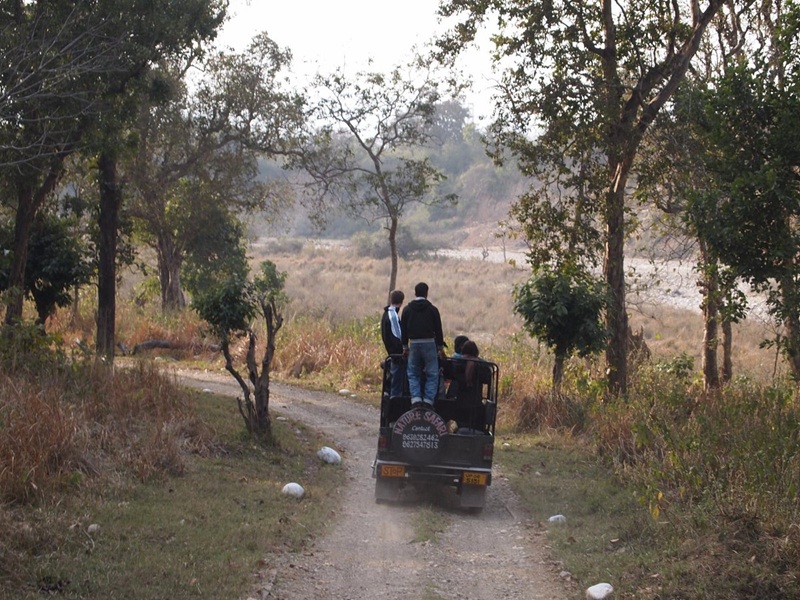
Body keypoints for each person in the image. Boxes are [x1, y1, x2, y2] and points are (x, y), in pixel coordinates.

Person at [401, 282, 445, 408]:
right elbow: (438, 329)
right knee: (432, 373)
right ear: (426, 293)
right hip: (430, 343)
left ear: (415, 293)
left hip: (413, 343)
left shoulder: (407, 310)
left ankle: (415, 399)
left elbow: (403, 330)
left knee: (413, 372)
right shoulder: (432, 309)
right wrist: (440, 347)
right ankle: (428, 400)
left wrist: (405, 347)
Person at [380, 289, 405, 400]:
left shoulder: (387, 313)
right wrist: (403, 350)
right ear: (401, 302)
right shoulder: (393, 316)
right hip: (396, 354)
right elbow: (397, 336)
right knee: (397, 382)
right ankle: (394, 403)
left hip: (392, 352)